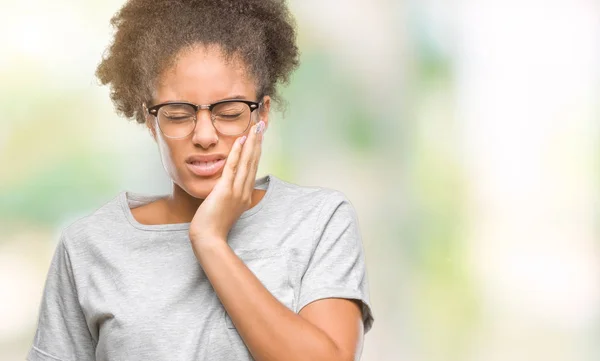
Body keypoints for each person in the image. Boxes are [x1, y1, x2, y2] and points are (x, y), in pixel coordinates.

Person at [27, 0, 374, 360]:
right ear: (150, 120)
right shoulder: (89, 246)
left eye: (228, 112)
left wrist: (210, 240)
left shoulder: (319, 220)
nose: (205, 135)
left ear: (263, 114)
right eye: (178, 115)